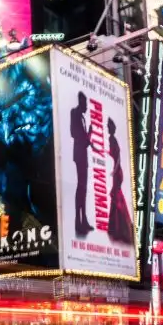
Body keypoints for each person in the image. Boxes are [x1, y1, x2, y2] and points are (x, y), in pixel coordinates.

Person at [106, 118, 134, 244]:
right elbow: (113, 155)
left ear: (112, 128)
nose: (107, 128)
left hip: (117, 172)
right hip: (117, 171)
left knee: (117, 198)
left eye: (108, 126)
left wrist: (114, 170)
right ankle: (118, 228)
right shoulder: (112, 139)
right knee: (116, 198)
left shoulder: (112, 139)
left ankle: (121, 229)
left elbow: (117, 158)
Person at [71, 92, 93, 236]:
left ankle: (83, 219)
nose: (87, 107)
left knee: (83, 188)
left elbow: (84, 139)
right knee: (81, 187)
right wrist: (87, 136)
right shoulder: (75, 113)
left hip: (83, 155)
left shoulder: (83, 116)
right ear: (81, 102)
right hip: (79, 154)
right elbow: (74, 133)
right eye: (85, 104)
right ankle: (78, 221)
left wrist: (89, 135)